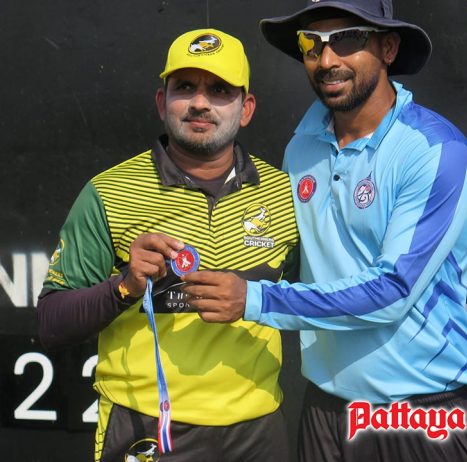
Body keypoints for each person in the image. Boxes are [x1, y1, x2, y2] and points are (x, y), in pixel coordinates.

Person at [181, 1, 467, 460]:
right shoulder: (302, 146)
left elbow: (393, 291)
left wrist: (254, 300)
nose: (326, 60)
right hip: (327, 411)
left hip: (427, 410)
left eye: (347, 39)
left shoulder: (436, 148)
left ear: (389, 47)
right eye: (311, 43)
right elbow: (298, 260)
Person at [37, 28, 298, 462]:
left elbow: (318, 301)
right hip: (146, 428)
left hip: (259, 431)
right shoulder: (110, 192)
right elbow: (51, 323)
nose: (200, 103)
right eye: (185, 87)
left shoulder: (285, 194)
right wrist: (125, 286)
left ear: (246, 108)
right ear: (162, 102)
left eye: (219, 90)